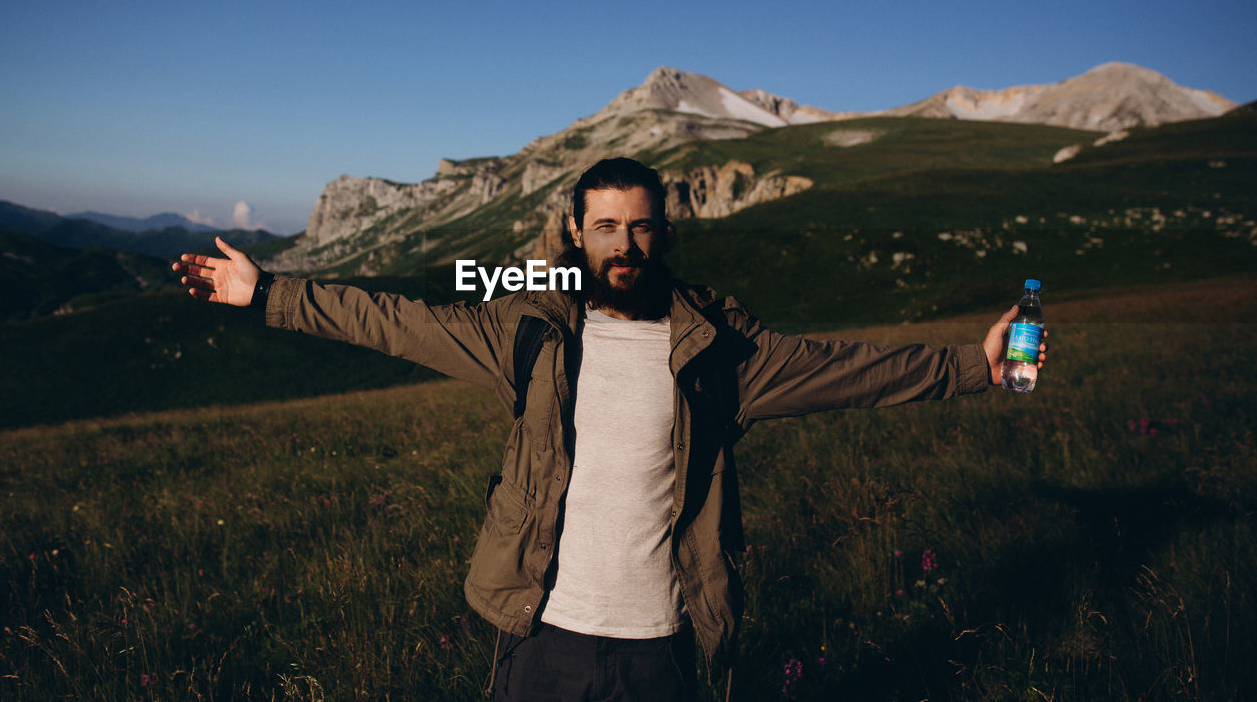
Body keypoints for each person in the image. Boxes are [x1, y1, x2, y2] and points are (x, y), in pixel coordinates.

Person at [173, 157, 1046, 701]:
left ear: (663, 235)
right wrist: (271, 293)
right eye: (605, 227)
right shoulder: (527, 334)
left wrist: (976, 364)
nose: (623, 243)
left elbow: (850, 369)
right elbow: (398, 321)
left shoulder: (719, 353)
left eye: (640, 227)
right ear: (575, 235)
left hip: (660, 650)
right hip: (541, 636)